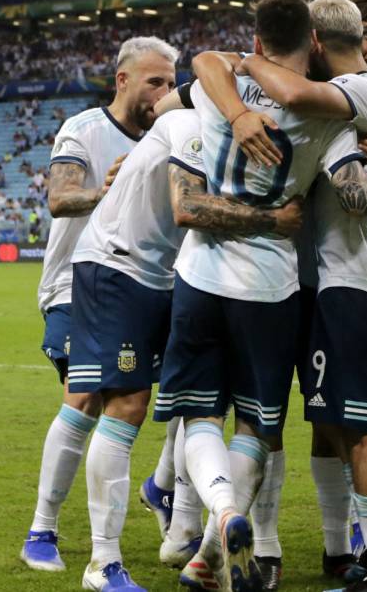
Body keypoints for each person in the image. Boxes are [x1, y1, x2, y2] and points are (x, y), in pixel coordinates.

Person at [153, 0, 367, 592]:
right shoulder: (332, 118)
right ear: (312, 45)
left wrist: (240, 96)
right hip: (273, 284)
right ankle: (215, 548)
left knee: (200, 415)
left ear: (254, 41)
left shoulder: (215, 87)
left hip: (200, 274)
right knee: (258, 424)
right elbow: (354, 191)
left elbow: (200, 64)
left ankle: (222, 517)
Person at [238, 0, 367, 592]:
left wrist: (248, 64)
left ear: (319, 46)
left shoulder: (353, 97)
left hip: (357, 286)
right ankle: (366, 556)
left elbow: (353, 191)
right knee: (337, 427)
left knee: (360, 433)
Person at [64, 102, 302, 590]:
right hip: (120, 264)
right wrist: (275, 220)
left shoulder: (224, 139)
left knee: (192, 405)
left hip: (163, 275)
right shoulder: (193, 124)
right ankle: (102, 563)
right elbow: (187, 208)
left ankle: (180, 525)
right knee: (127, 404)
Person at [20, 36, 178, 576]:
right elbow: (60, 200)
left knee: (191, 392)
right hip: (74, 285)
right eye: (154, 81)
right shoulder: (84, 129)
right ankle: (44, 530)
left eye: (171, 82)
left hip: (148, 284)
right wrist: (109, 191)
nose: (164, 92)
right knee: (88, 397)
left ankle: (162, 491)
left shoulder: (169, 137)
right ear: (123, 80)